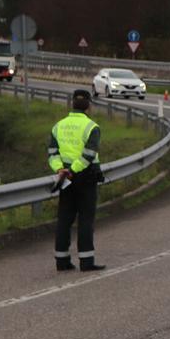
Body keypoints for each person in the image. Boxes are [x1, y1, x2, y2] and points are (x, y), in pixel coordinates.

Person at [48, 89, 106, 271]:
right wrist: (72, 171)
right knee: (86, 219)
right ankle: (86, 261)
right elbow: (88, 155)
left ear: (72, 104)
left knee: (64, 218)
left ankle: (62, 261)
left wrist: (61, 170)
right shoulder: (91, 127)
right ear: (89, 105)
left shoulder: (58, 126)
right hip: (85, 177)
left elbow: (52, 154)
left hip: (65, 178)